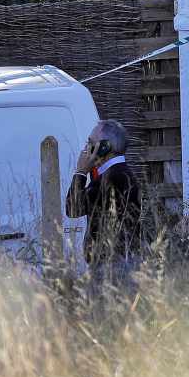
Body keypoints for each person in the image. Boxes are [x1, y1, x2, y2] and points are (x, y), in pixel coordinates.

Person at [66, 119, 143, 280]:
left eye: (90, 142)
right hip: (121, 264)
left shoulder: (110, 178)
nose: (86, 148)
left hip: (111, 269)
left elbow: (73, 208)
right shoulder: (122, 173)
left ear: (105, 147)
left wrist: (81, 172)